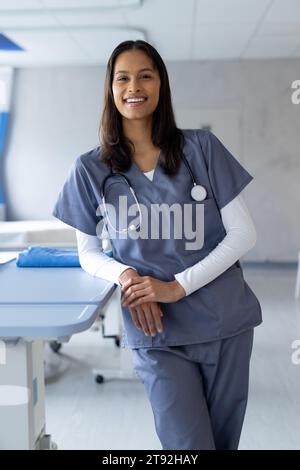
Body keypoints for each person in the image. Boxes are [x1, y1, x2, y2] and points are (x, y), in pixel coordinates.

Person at [52, 39, 262, 450]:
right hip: (155, 329)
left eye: (145, 75)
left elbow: (244, 234)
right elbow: (89, 253)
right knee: (186, 447)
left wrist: (176, 286)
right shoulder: (90, 168)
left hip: (224, 322)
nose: (135, 86)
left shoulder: (201, 149)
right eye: (123, 77)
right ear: (110, 89)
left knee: (222, 444)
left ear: (161, 84)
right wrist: (128, 275)